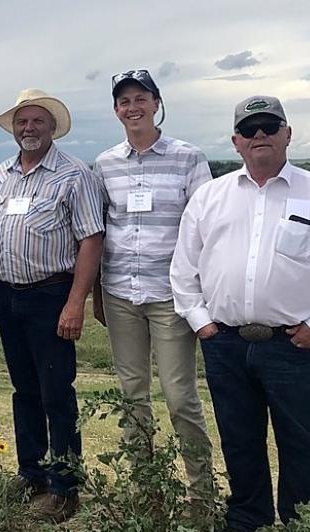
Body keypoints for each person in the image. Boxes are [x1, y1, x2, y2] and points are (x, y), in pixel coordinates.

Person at [170, 95, 310, 532]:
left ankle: (307, 528)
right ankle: (247, 525)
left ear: (287, 133)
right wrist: (202, 322)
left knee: (300, 440)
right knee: (239, 439)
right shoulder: (211, 196)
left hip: (291, 343)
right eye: (250, 128)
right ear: (236, 141)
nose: (259, 134)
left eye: (269, 125)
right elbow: (185, 268)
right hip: (224, 341)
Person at [0, 89, 104, 523]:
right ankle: (30, 472)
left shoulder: (74, 175)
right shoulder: (2, 174)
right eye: (21, 122)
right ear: (13, 128)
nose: (28, 128)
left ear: (53, 127)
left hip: (52, 295)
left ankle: (65, 489)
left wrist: (75, 303)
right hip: (10, 295)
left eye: (37, 121)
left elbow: (91, 240)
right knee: (25, 391)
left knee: (56, 394)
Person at [91, 69, 214, 498]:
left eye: (141, 97)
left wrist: (200, 294)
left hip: (171, 297)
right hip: (121, 292)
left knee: (180, 397)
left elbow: (205, 228)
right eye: (124, 101)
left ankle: (202, 494)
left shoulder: (188, 158)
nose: (133, 107)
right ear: (115, 110)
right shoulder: (105, 164)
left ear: (157, 103)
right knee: (132, 395)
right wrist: (96, 294)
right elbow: (99, 232)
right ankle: (146, 490)